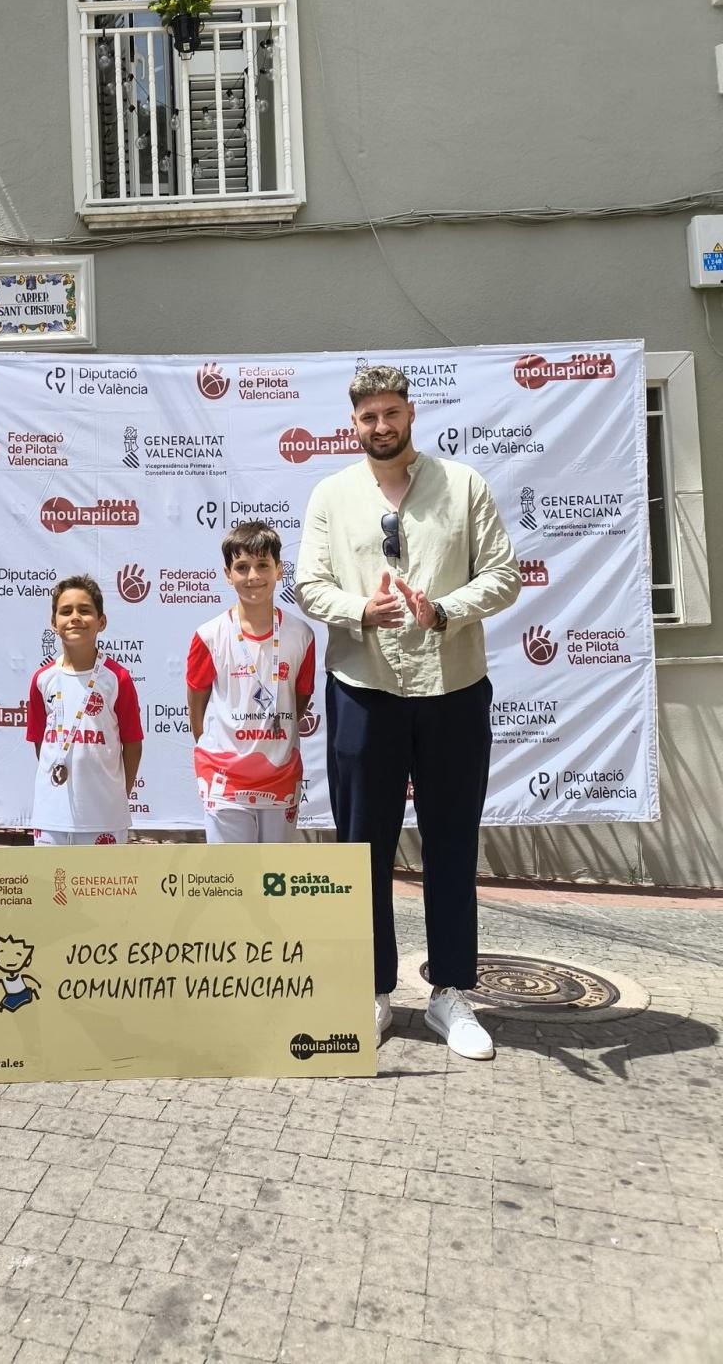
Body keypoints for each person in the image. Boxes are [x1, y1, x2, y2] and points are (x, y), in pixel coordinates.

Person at [295, 367, 520, 1059]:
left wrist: (444, 610)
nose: (381, 426)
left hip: (452, 686)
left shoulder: (465, 485)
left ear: (410, 413)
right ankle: (373, 990)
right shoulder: (331, 494)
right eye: (369, 417)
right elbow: (308, 583)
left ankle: (450, 994)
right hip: (365, 689)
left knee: (451, 840)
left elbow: (504, 574)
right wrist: (360, 609)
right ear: (354, 423)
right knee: (364, 845)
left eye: (392, 412)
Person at [186, 521, 316, 843]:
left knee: (274, 877)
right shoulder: (209, 635)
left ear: (279, 570)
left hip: (280, 774)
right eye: (241, 567)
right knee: (231, 879)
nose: (253, 576)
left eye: (262, 565)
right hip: (224, 776)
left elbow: (300, 698)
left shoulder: (301, 635)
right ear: (228, 574)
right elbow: (197, 705)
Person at [26, 575, 143, 846]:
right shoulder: (42, 679)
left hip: (104, 816)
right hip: (51, 814)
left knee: (101, 888)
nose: (75, 617)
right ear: (54, 624)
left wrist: (117, 795)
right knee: (51, 886)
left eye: (85, 610)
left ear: (101, 622)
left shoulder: (118, 679)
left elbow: (133, 744)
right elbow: (40, 743)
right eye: (65, 611)